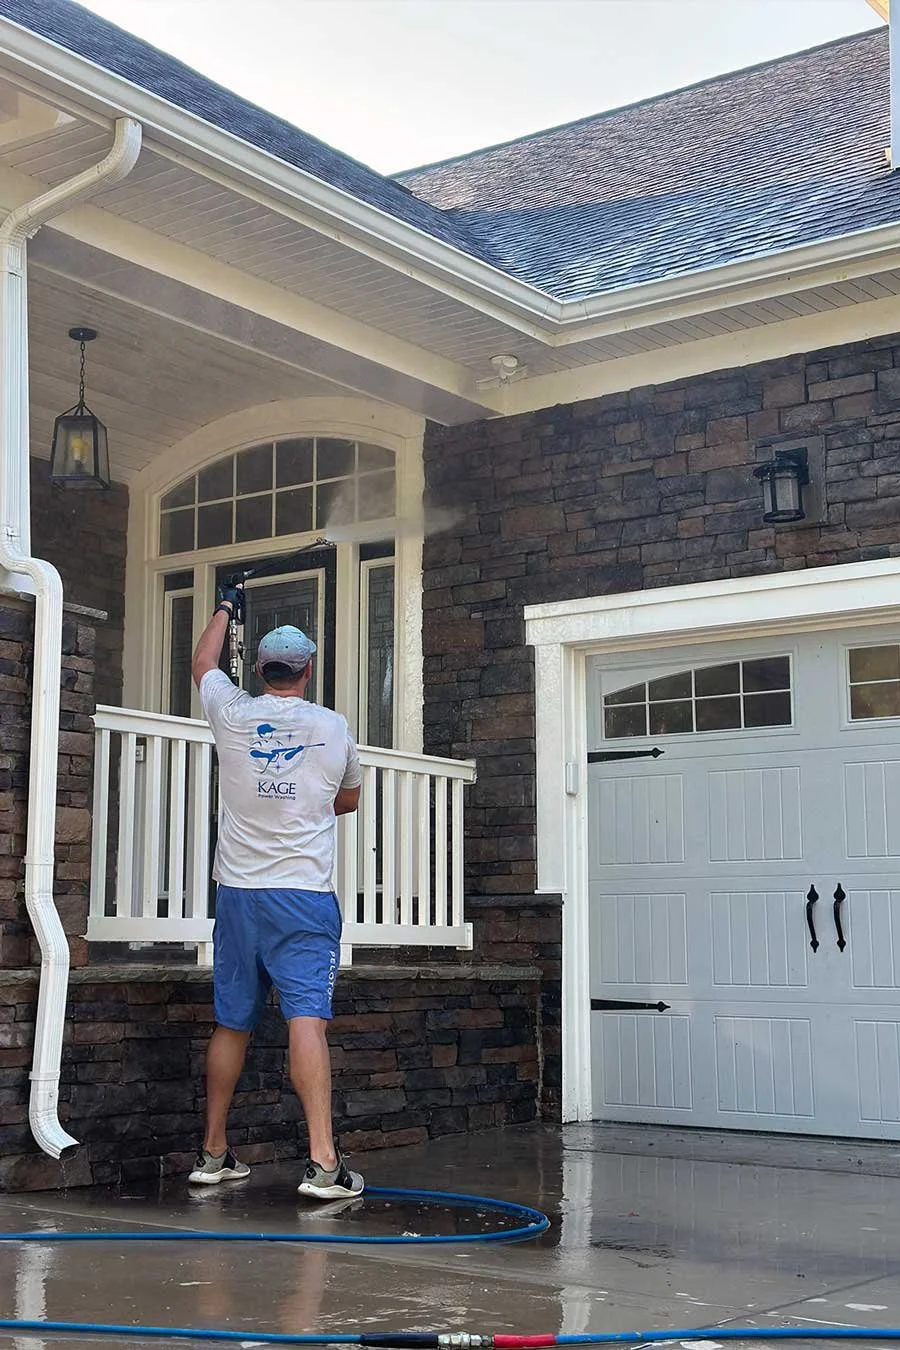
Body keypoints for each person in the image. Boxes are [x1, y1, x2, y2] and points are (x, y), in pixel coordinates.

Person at [188, 584, 363, 1200]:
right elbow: (348, 800)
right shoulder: (333, 727)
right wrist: (304, 802)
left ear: (261, 670)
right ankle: (323, 1164)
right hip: (303, 896)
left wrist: (225, 608)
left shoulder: (231, 713)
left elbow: (202, 663)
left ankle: (213, 1154)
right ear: (307, 670)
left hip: (238, 894)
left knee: (231, 1022)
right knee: (306, 1018)